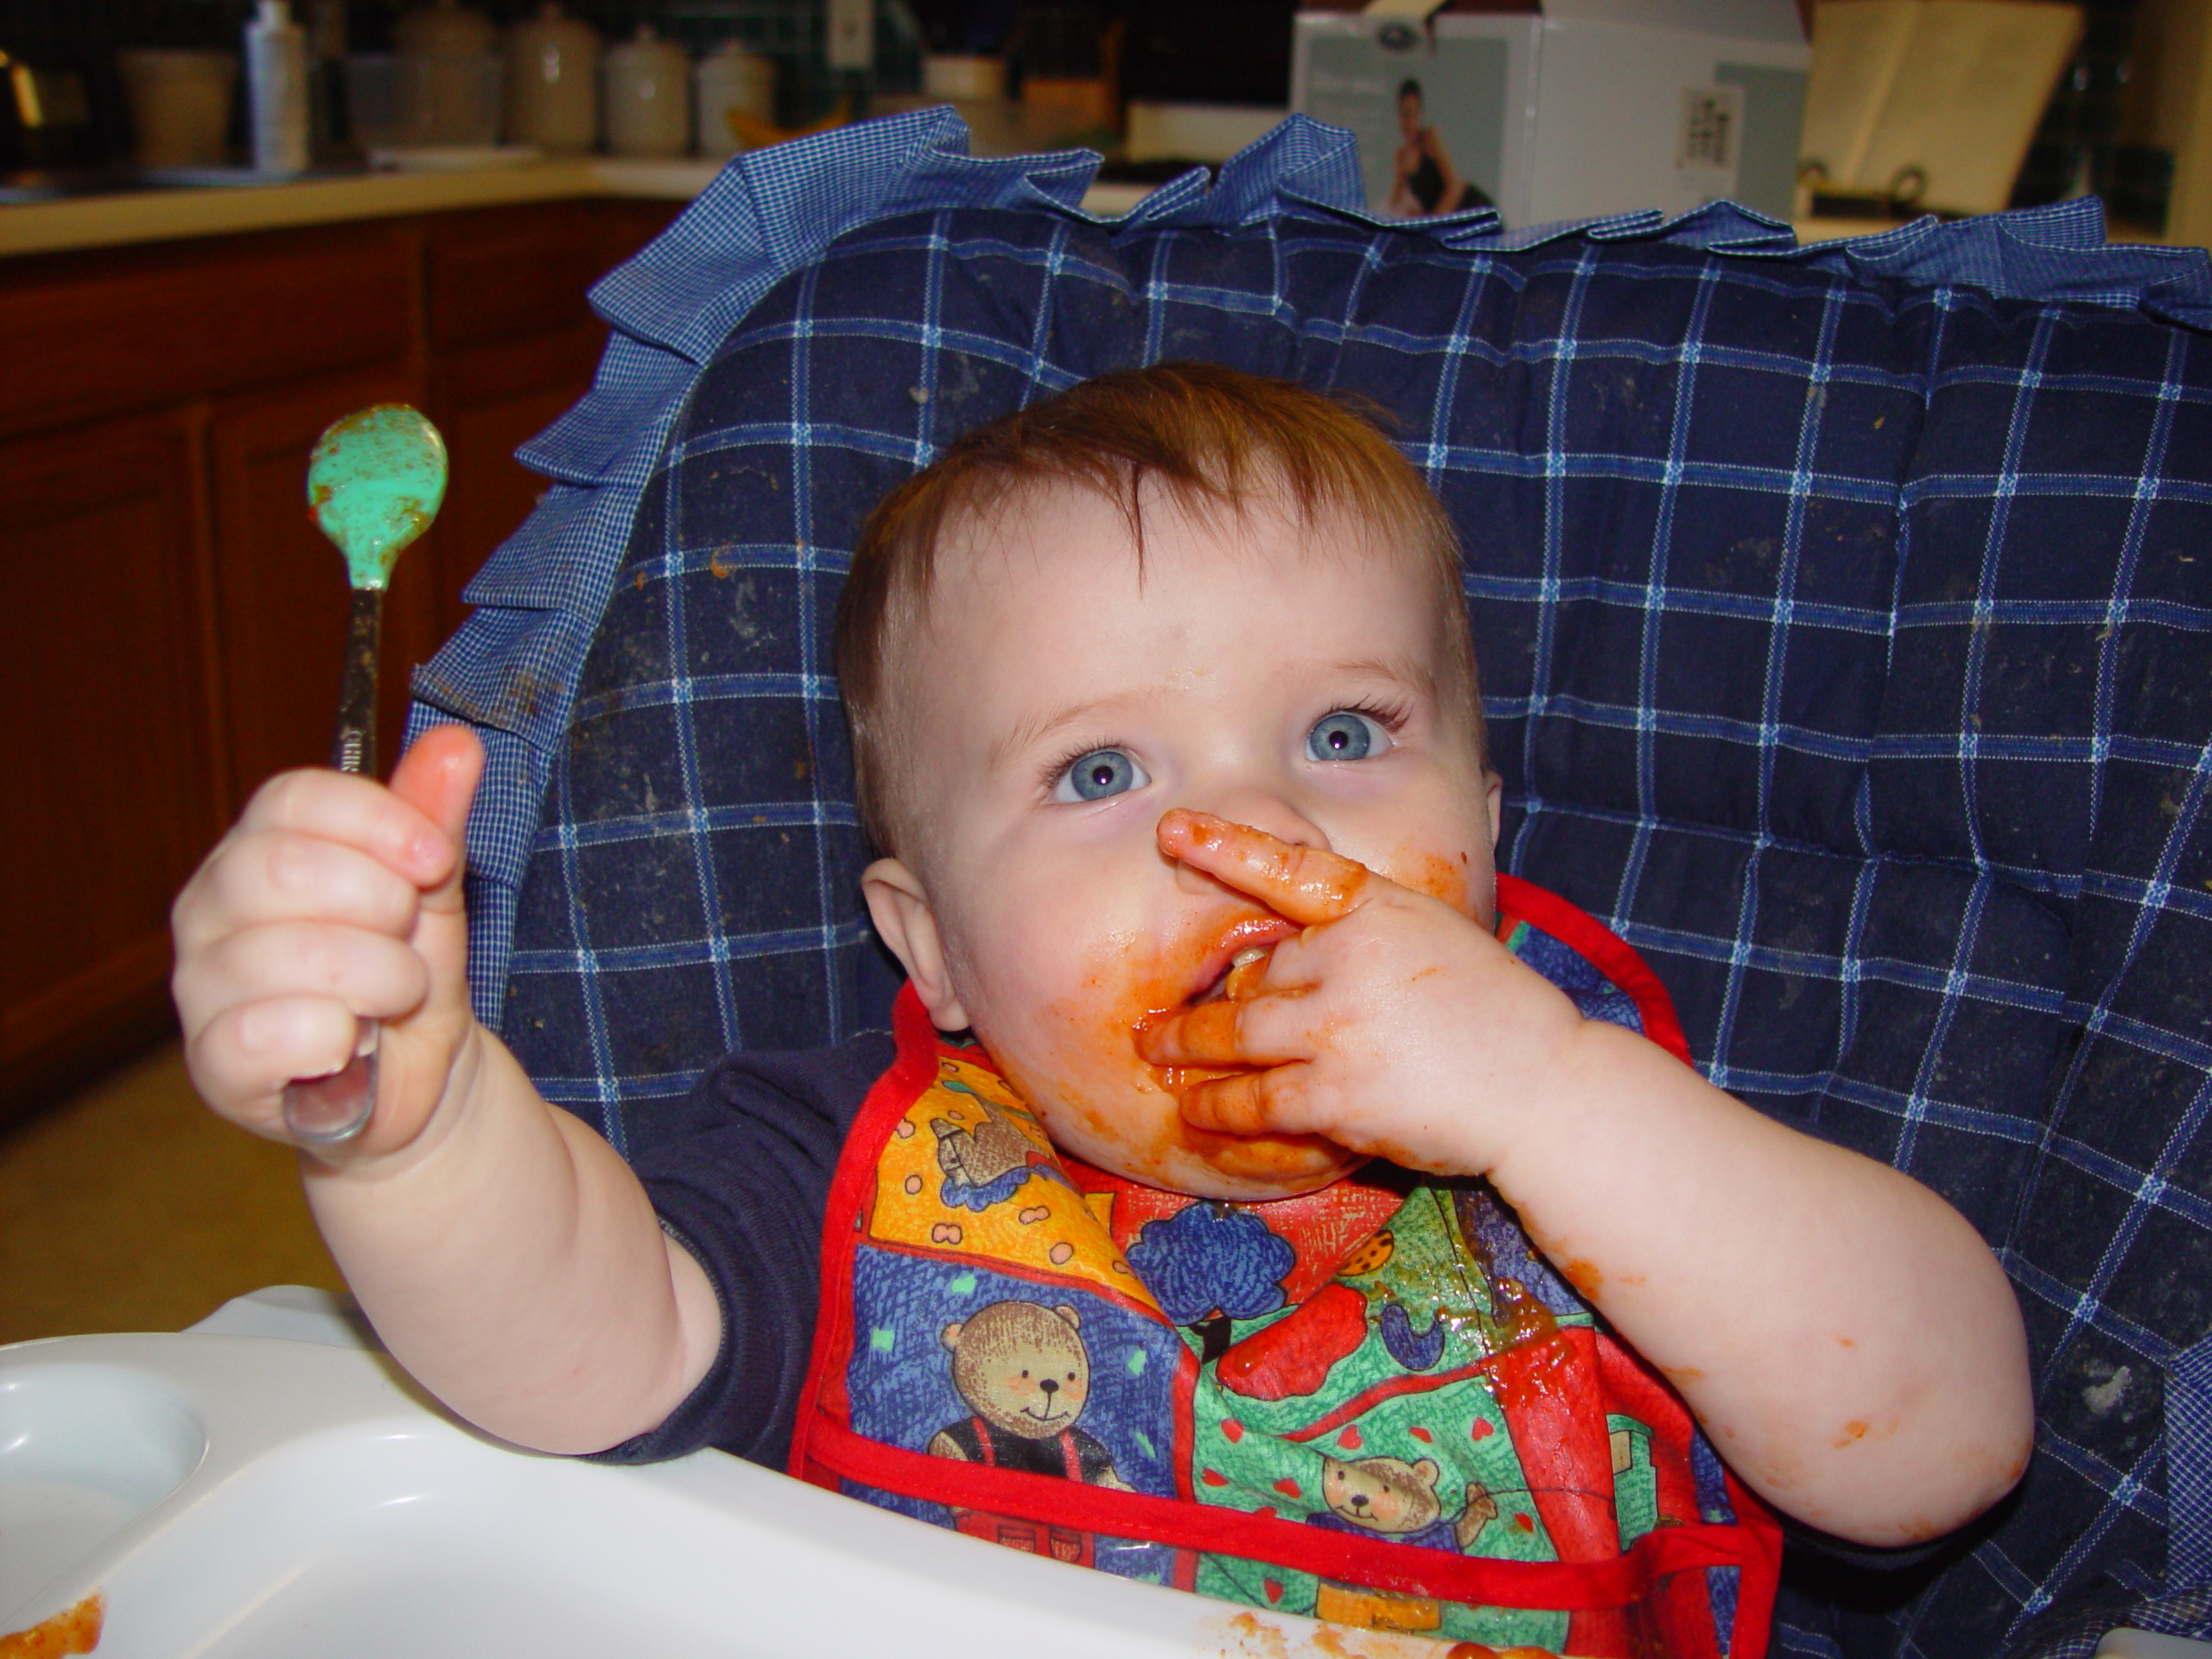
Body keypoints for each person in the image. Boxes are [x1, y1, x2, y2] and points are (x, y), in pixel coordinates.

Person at [172, 363, 2032, 1654]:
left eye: (1342, 734)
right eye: (1094, 773)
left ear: (1483, 829)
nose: (1251, 833)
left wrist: (1555, 1100)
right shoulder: (843, 1166)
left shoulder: (1618, 1177)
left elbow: (1937, 1449)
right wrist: (416, 1133)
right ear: (935, 954)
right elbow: (582, 1364)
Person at [1388, 79, 1480, 218]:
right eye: (1404, 114)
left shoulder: (1429, 138)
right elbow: (1395, 200)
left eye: (1413, 113)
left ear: (1420, 114)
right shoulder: (1401, 156)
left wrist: (1432, 222)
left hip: (1469, 208)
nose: (1409, 121)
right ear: (1398, 116)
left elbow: (1455, 187)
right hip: (1445, 220)